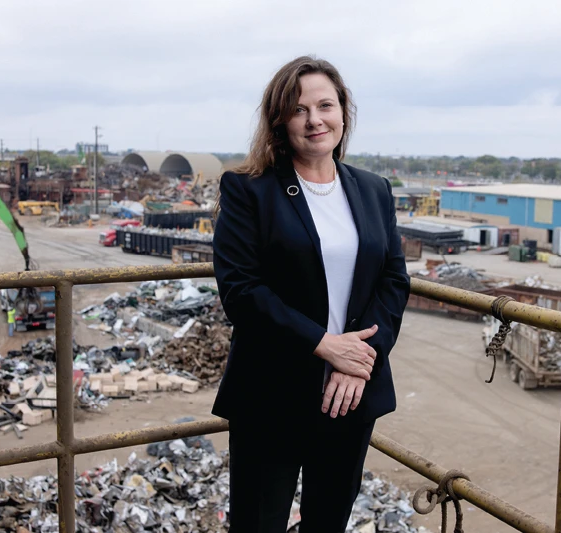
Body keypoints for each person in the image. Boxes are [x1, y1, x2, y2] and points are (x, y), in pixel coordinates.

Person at [212, 56, 411, 532]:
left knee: (327, 523)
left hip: (349, 395)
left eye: (325, 105)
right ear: (280, 121)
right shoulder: (249, 190)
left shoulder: (373, 190)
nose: (315, 119)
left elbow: (394, 281)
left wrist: (360, 359)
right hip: (272, 393)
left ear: (344, 111)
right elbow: (241, 290)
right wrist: (323, 344)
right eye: (300, 109)